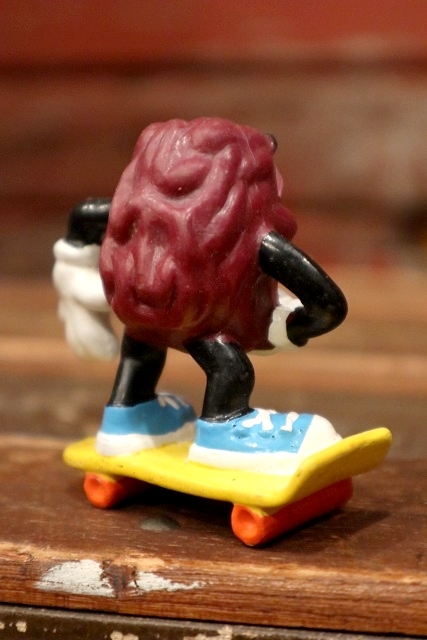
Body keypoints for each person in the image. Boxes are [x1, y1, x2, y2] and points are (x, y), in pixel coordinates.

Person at [53, 117, 347, 475]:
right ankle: (224, 429)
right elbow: (329, 305)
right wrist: (291, 325)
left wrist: (76, 268)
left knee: (141, 352)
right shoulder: (254, 236)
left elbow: (82, 217)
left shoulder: (127, 215)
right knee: (232, 370)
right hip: (213, 331)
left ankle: (127, 414)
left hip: (141, 321)